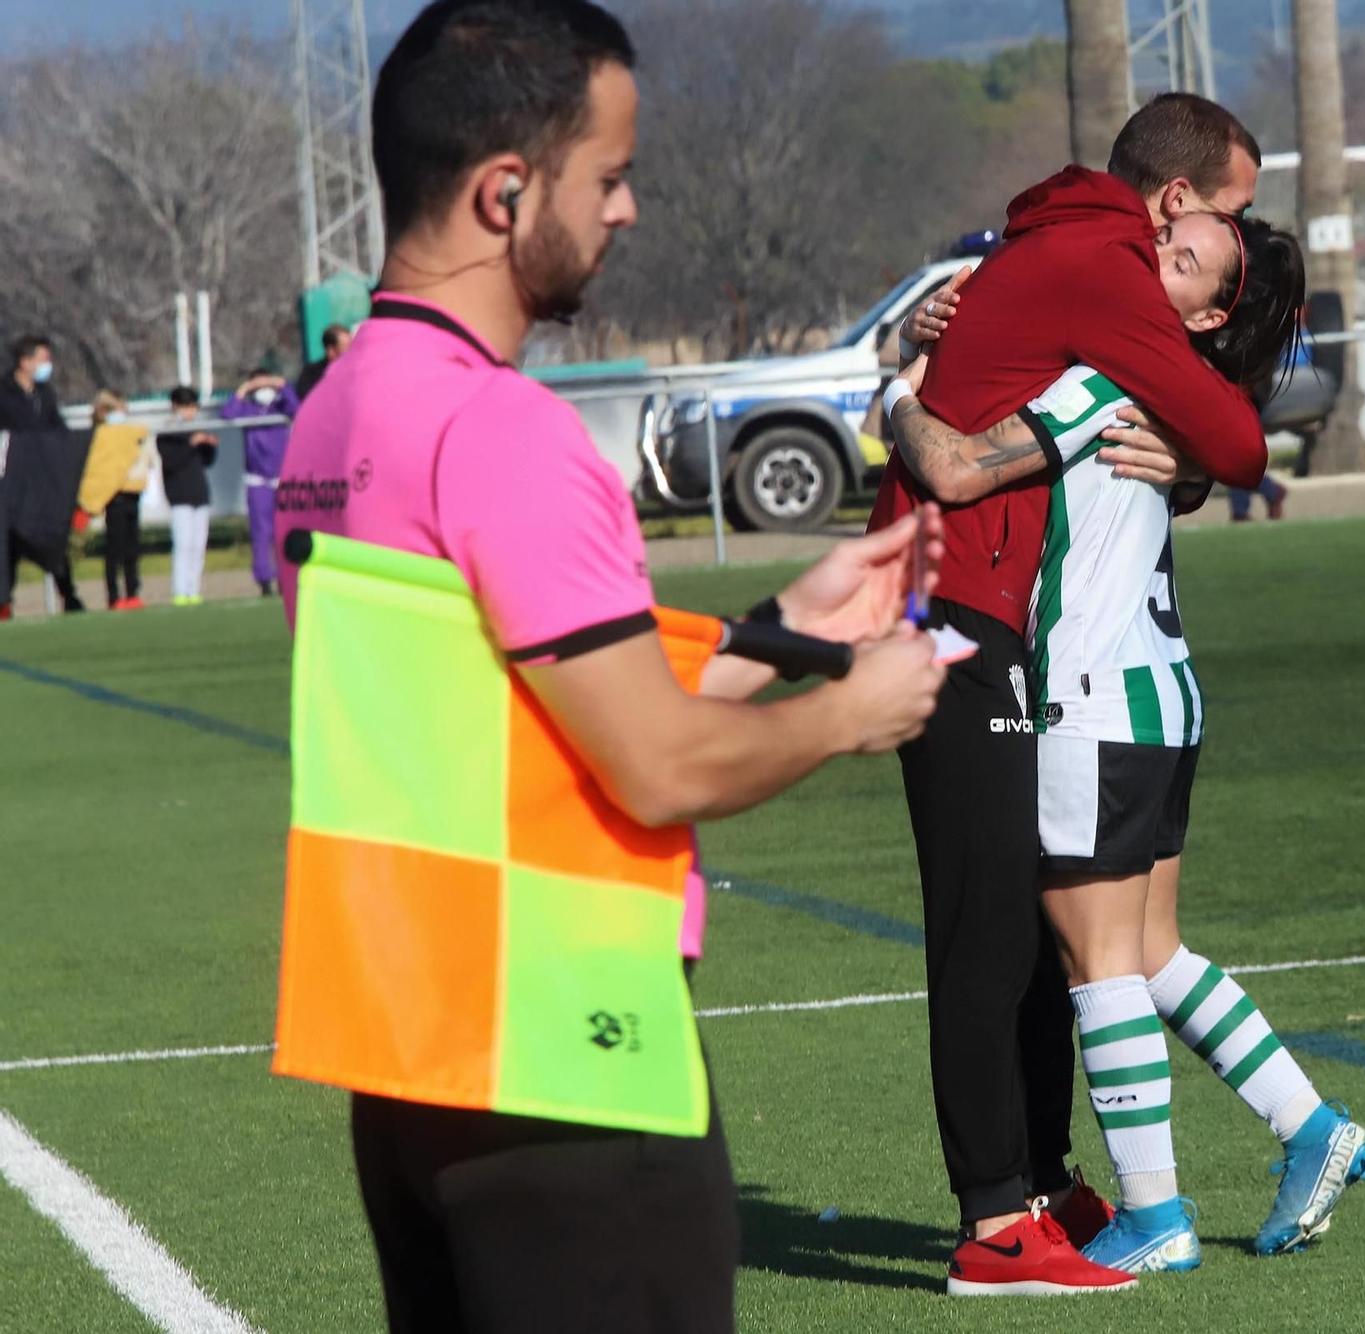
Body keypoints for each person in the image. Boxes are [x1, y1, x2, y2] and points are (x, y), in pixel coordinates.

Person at [273, 5, 945, 1332]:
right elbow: (654, 764)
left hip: (418, 1056)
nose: (628, 208)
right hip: (573, 1059)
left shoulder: (335, 409)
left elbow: (514, 726)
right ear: (505, 190)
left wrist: (784, 623)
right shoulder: (503, 428)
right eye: (608, 175)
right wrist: (847, 710)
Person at [890, 210, 1365, 1273]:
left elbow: (960, 467)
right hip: (1163, 700)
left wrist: (896, 393)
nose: (1146, 256)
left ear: (1203, 313)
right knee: (1151, 950)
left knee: (1093, 960)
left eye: (1178, 260)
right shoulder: (1169, 390)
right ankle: (1307, 1124)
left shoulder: (1100, 382)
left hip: (1093, 700)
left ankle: (1154, 1214)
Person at [866, 91, 1275, 1296]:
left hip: (990, 621)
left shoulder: (1052, 249)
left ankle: (1040, 1184)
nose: (1231, 254)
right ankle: (995, 1222)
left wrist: (1178, 468)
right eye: (1227, 218)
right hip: (952, 616)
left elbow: (1100, 434)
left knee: (1033, 919)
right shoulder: (1099, 261)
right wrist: (902, 390)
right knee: (985, 920)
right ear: (1172, 200)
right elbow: (1239, 439)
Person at [0, 333, 87, 617]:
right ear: (25, 362)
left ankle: (69, 595)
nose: (47, 365)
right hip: (11, 480)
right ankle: (4, 601)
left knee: (51, 535)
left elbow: (56, 429)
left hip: (40, 479)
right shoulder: (4, 392)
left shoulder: (44, 393)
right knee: (9, 540)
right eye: (42, 359)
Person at [220, 362, 300, 595]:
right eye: (259, 386)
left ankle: (287, 577)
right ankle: (264, 578)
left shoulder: (279, 406)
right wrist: (244, 389)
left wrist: (280, 384)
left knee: (284, 531)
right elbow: (227, 414)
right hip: (257, 480)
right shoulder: (247, 409)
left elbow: (296, 407)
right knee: (261, 532)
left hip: (282, 478)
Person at [76, 391, 155, 610]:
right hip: (114, 497)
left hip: (132, 493)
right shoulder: (100, 435)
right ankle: (114, 596)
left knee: (132, 547)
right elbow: (99, 470)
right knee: (114, 549)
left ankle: (132, 592)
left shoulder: (130, 432)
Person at [154, 386, 217, 606]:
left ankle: (194, 589)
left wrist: (209, 445)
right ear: (175, 407)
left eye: (193, 407)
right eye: (186, 407)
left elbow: (207, 461)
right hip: (179, 495)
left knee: (198, 545)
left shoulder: (198, 428)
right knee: (183, 544)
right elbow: (171, 462)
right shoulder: (168, 432)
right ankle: (180, 591)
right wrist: (191, 443)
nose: (190, 412)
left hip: (200, 493)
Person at [295, 323, 351, 402]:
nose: (351, 349)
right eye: (346, 345)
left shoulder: (354, 370)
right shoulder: (311, 373)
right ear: (331, 350)